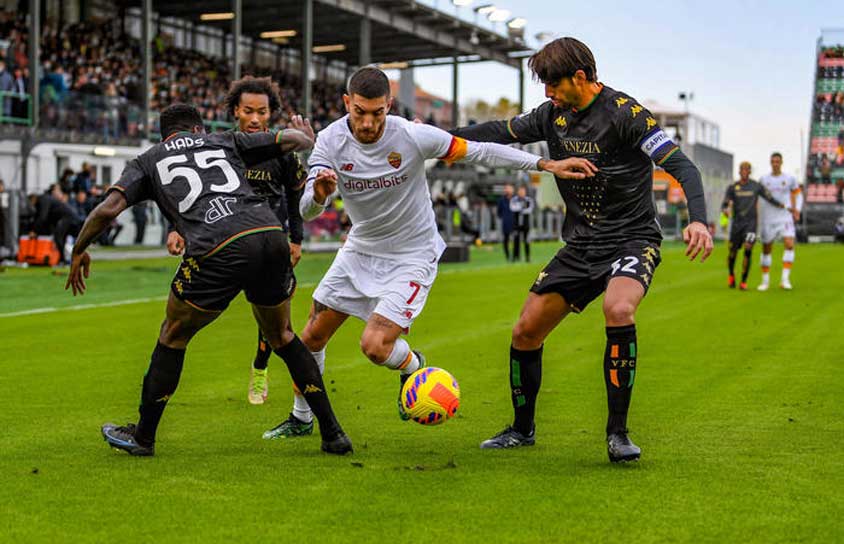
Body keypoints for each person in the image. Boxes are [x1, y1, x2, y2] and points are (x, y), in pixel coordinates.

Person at [263, 66, 596, 439]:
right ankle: (302, 417)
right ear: (346, 103)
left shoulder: (412, 136)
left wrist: (544, 164)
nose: (369, 123)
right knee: (311, 338)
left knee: (374, 347)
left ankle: (413, 364)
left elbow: (481, 152)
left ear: (389, 105)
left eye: (378, 112)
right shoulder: (330, 141)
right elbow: (307, 209)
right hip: (360, 249)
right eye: (360, 112)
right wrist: (320, 195)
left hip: (412, 254)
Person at [450, 37, 713, 462]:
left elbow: (681, 165)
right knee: (525, 331)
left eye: (553, 84)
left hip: (632, 238)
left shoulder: (627, 115)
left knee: (620, 309)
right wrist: (437, 139)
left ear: (580, 77)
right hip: (581, 243)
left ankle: (618, 434)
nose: (548, 94)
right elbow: (502, 132)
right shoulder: (552, 115)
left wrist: (698, 219)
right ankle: (522, 428)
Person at [65, 103, 352, 456]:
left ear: (164, 135)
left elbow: (108, 209)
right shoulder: (223, 140)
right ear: (198, 130)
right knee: (283, 335)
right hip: (268, 234)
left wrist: (79, 248)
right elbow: (290, 139)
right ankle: (334, 434)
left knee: (173, 334)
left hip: (217, 245)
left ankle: (143, 437)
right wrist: (306, 137)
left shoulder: (148, 160)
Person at [165, 76, 308, 413]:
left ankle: (260, 367)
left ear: (271, 114)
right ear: (234, 112)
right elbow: (197, 194)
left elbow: (294, 196)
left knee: (272, 319)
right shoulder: (219, 148)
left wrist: (297, 239)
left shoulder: (281, 152)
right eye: (248, 111)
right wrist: (178, 229)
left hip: (270, 243)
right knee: (192, 317)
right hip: (224, 244)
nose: (255, 119)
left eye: (262, 112)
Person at [720, 162, 789, 290]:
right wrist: (725, 209)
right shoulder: (732, 187)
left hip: (751, 224)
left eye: (747, 169)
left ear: (750, 171)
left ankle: (743, 282)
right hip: (736, 224)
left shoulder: (756, 186)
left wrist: (783, 206)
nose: (745, 171)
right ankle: (731, 275)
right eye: (742, 169)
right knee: (732, 253)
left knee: (748, 249)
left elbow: (769, 198)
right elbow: (725, 202)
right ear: (739, 171)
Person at [757, 152, 801, 291]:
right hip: (768, 218)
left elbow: (798, 195)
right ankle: (765, 281)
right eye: (773, 161)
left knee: (789, 244)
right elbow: (758, 197)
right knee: (766, 249)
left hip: (784, 217)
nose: (775, 164)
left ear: (781, 162)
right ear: (771, 163)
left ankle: (785, 279)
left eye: (777, 161)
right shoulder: (763, 179)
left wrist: (797, 209)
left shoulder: (790, 179)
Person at [510, 185, 534, 262]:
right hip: (516, 225)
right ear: (518, 192)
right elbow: (513, 208)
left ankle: (528, 257)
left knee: (526, 241)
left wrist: (521, 209)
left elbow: (529, 210)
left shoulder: (528, 200)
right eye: (520, 191)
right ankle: (515, 257)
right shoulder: (514, 200)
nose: (521, 193)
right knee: (516, 241)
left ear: (525, 192)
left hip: (525, 224)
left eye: (523, 192)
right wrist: (521, 207)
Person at [497, 184, 515, 260]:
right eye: (506, 189)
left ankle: (515, 256)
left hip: (514, 223)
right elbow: (499, 212)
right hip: (506, 223)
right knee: (506, 240)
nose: (507, 190)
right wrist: (505, 217)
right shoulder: (501, 200)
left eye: (509, 189)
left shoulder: (515, 199)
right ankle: (507, 256)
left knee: (515, 240)